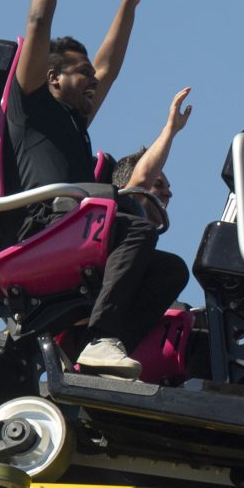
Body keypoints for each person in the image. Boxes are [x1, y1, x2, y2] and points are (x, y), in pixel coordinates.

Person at [0, 0, 186, 374]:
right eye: (82, 73)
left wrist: (130, 2)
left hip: (78, 225)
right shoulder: (32, 106)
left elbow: (110, 65)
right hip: (44, 226)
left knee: (170, 270)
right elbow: (38, 21)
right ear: (52, 77)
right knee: (136, 227)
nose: (93, 81)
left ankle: (92, 347)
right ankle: (101, 337)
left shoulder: (75, 121)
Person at [76, 88, 200, 373]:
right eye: (159, 185)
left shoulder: (145, 254)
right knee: (143, 230)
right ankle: (101, 340)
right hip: (89, 294)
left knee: (174, 270)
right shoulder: (125, 216)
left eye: (168, 188)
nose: (168, 194)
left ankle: (111, 354)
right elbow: (140, 181)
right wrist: (171, 130)